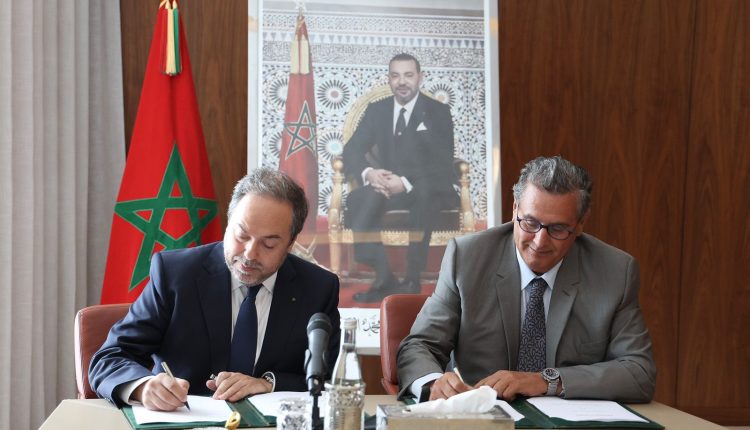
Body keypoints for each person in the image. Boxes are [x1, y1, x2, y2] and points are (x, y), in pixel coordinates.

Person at [397, 156, 656, 403]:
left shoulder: (615, 271)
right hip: (484, 415)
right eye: (530, 223)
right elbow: (420, 345)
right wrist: (433, 383)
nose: (540, 242)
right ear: (515, 210)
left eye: (557, 228)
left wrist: (546, 381)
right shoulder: (467, 258)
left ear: (580, 224)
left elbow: (639, 371)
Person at [89, 168, 341, 411]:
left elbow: (329, 379)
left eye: (269, 244)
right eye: (242, 235)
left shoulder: (318, 289)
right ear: (228, 223)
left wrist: (268, 383)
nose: (249, 254)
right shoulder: (176, 274)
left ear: (290, 243)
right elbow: (110, 358)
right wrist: (143, 387)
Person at [343, 52, 458, 303]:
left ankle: (412, 278)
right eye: (395, 76)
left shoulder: (438, 111)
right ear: (389, 79)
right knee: (357, 199)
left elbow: (442, 162)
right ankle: (383, 276)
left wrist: (405, 183)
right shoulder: (377, 110)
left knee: (425, 195)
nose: (402, 81)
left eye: (408, 75)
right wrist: (370, 174)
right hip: (388, 186)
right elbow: (351, 150)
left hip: (427, 186)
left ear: (420, 77)